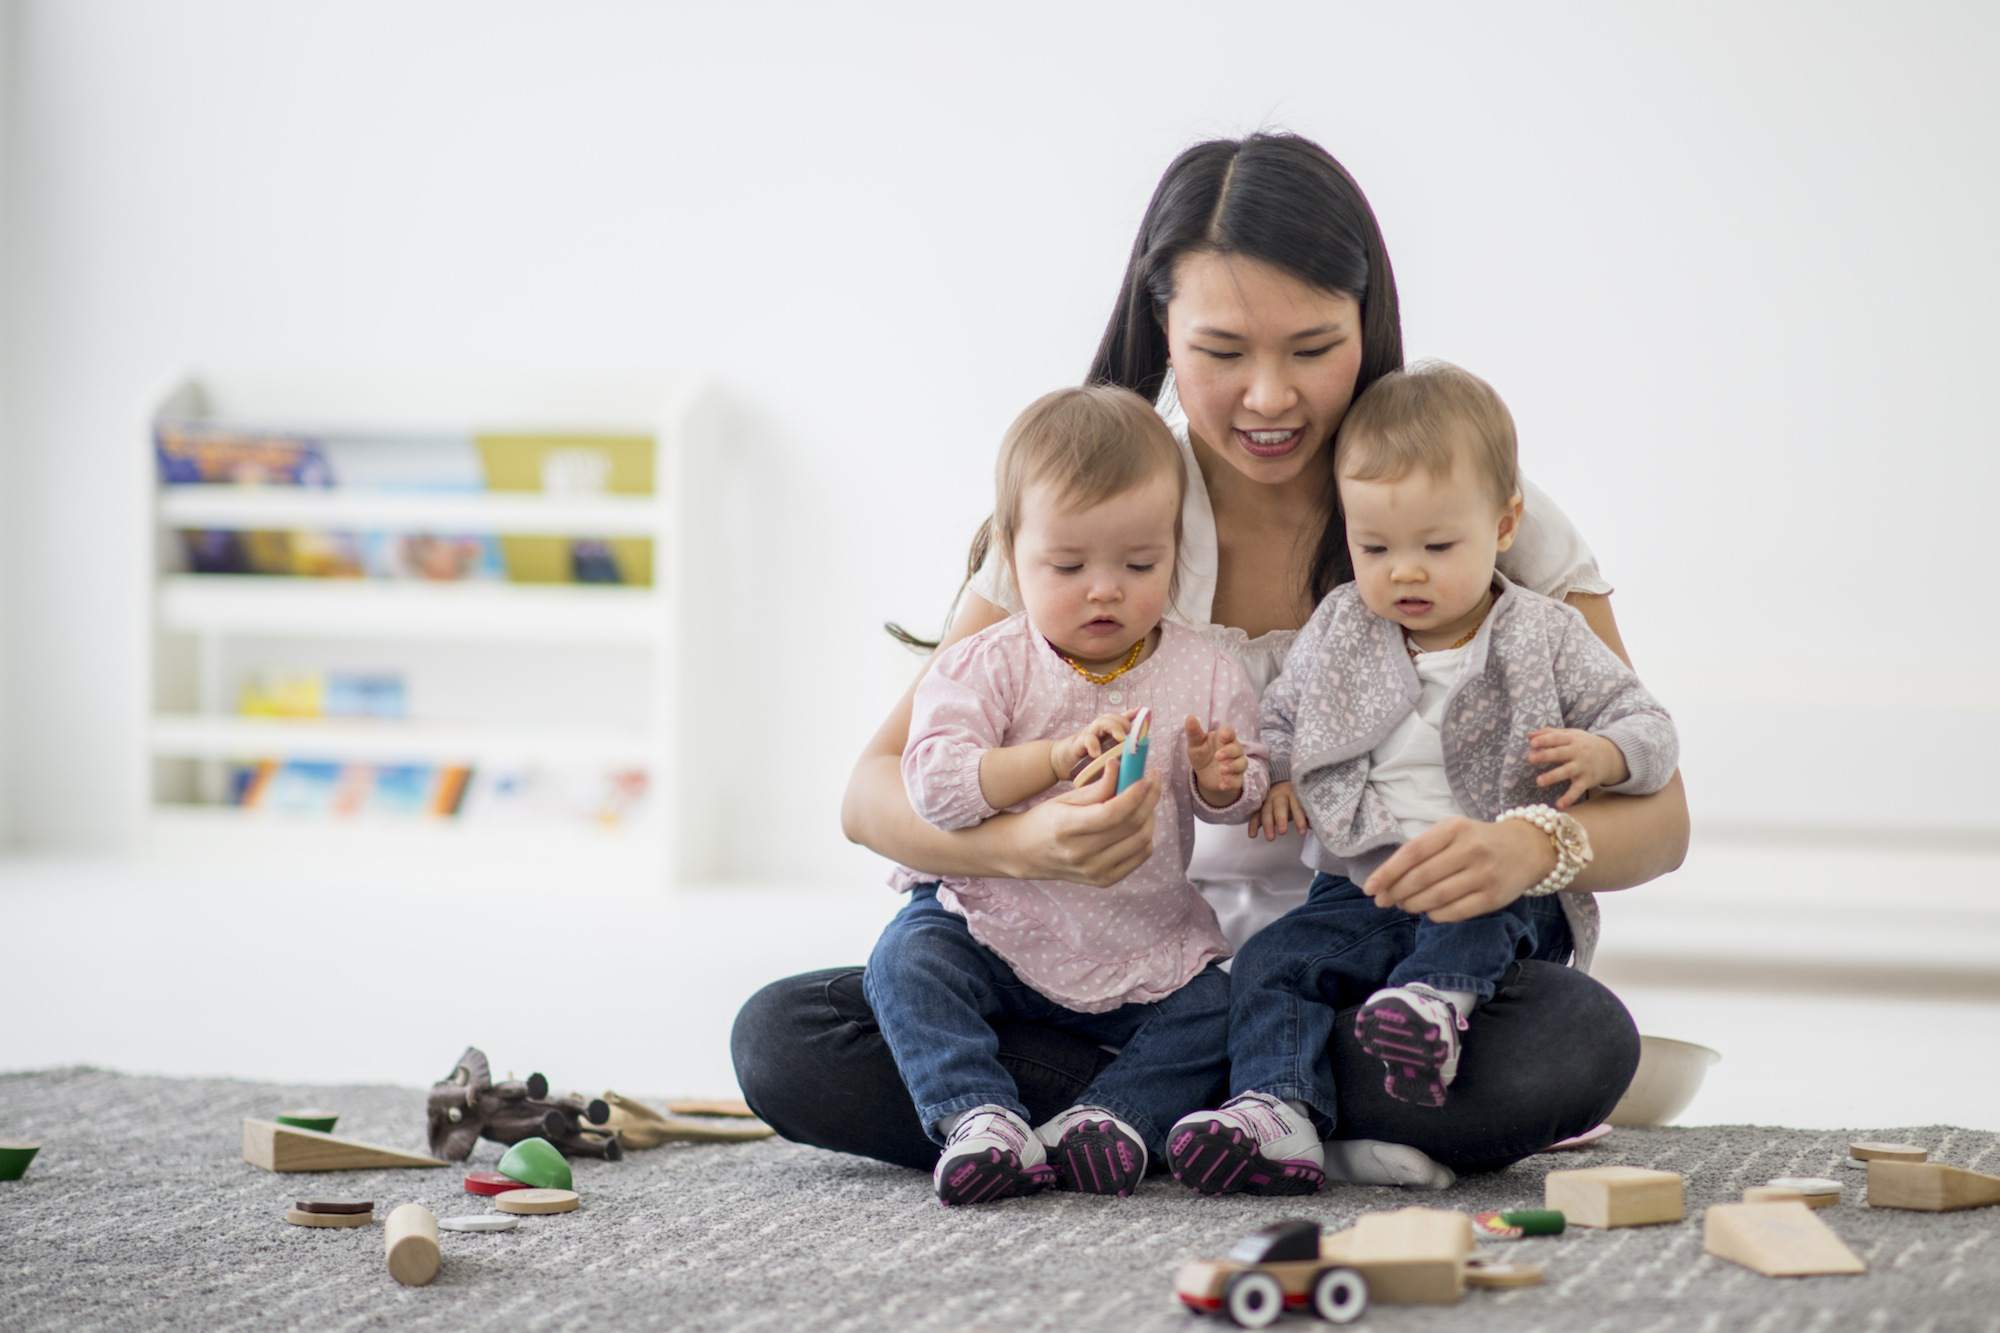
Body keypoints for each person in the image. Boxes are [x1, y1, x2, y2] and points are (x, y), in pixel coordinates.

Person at [732, 131, 1687, 1188]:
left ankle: (1154, 1109)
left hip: (1373, 973)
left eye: (1313, 348)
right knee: (787, 1036)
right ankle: (1228, 1111)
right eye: (1223, 353)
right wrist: (1032, 844)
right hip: (1114, 972)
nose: (1268, 397)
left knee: (1575, 1042)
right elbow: (873, 793)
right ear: (1161, 331)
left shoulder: (1462, 509)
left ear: (1369, 329)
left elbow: (1659, 819)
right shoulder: (1094, 515)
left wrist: (1528, 849)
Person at [1166, 361, 1680, 1196]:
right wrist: (1282, 776)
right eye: (1374, 548)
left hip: (1496, 891)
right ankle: (1276, 1110)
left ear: (1505, 523)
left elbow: (1650, 725)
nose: (1404, 572)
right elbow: (1285, 717)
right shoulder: (1342, 624)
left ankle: (1434, 1006)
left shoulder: (1543, 633)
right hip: (1362, 890)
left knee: (1532, 981)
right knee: (1272, 964)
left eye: (1437, 548)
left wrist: (1607, 756)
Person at [870, 385, 1268, 1205]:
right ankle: (981, 1118)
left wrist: (1224, 781)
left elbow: (1246, 791)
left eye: (1139, 563)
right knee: (905, 959)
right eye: (1069, 565)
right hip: (999, 928)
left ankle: (1109, 1121)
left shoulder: (1207, 669)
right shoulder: (988, 662)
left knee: (1228, 1005)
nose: (1104, 590)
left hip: (1144, 945)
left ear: (1177, 554)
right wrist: (1047, 761)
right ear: (1012, 557)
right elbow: (935, 784)